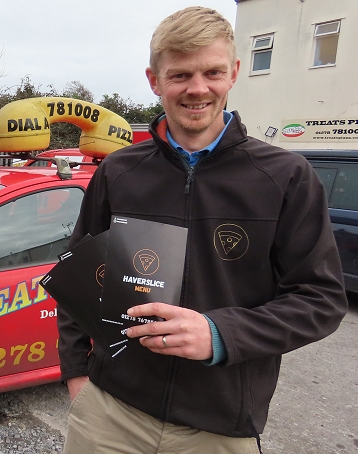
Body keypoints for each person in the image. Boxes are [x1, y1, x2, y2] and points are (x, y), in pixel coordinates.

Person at [57, 6, 348, 454]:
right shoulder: (120, 171)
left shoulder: (286, 176)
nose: (198, 89)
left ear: (233, 73)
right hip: (110, 414)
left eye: (212, 72)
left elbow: (322, 299)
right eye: (180, 75)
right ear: (155, 81)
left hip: (218, 429)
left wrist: (219, 333)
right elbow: (77, 276)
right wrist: (78, 373)